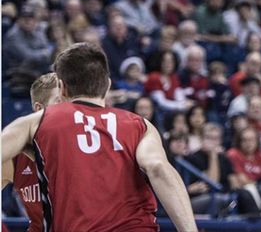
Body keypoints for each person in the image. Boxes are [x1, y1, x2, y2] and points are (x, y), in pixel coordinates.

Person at [1, 43, 197, 231]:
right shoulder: (140, 124)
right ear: (108, 85)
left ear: (62, 88)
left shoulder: (37, 122)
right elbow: (158, 168)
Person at [2, 73, 62, 232]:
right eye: (60, 102)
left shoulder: (89, 147)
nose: (69, 109)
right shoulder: (16, 153)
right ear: (38, 109)